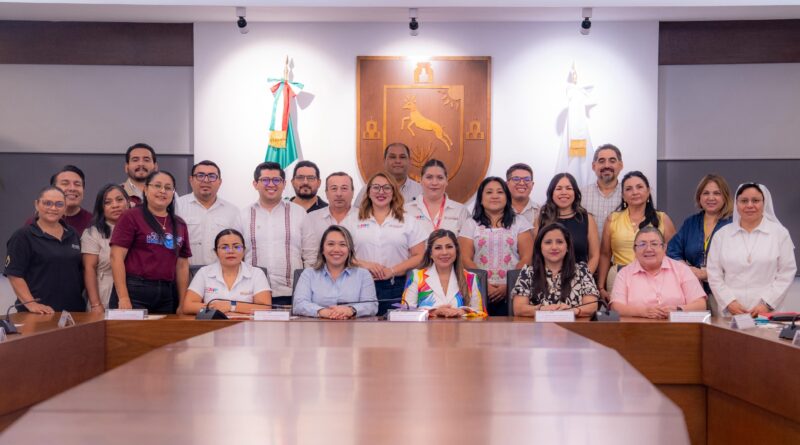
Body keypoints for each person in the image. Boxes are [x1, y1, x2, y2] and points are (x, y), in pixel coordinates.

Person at [707, 183, 797, 316]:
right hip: (732, 312)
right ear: (736, 204)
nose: (750, 205)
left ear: (764, 203)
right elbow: (714, 274)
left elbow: (786, 273)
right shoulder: (722, 235)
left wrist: (766, 304)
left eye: (755, 200)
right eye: (744, 201)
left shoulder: (780, 233)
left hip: (768, 312)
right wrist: (729, 302)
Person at [343, 172, 426, 316]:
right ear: (368, 192)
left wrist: (392, 270)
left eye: (387, 188)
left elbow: (420, 256)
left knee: (394, 328)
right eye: (376, 187)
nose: (381, 192)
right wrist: (365, 265)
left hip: (396, 286)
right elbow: (340, 254)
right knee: (360, 328)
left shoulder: (408, 221)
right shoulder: (351, 220)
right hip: (359, 285)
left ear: (394, 192)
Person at [110, 171, 191, 313]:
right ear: (146, 190)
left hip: (167, 293)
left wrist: (183, 302)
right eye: (157, 186)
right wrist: (123, 297)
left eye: (168, 188)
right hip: (134, 290)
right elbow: (116, 257)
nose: (162, 191)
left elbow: (182, 265)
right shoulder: (131, 216)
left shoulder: (179, 224)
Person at [459, 177, 533, 316]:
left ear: (507, 197)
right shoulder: (471, 224)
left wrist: (510, 285)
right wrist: (484, 285)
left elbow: (527, 257)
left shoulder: (520, 222)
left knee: (512, 328)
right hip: (478, 290)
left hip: (514, 291)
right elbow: (465, 259)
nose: (494, 196)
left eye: (500, 192)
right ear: (481, 199)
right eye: (489, 192)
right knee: (478, 327)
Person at [5, 186, 85, 314]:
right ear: (37, 204)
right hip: (39, 314)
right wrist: (31, 304)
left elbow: (81, 270)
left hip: (74, 311)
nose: (53, 208)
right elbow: (14, 275)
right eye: (47, 203)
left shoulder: (73, 233)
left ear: (65, 208)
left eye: (59, 204)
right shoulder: (23, 236)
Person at [597, 171, 676, 299]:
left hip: (656, 278)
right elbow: (605, 254)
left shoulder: (662, 219)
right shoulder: (613, 219)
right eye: (629, 189)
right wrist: (600, 287)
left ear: (648, 191)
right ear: (623, 195)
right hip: (620, 277)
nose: (634, 192)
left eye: (639, 187)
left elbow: (673, 254)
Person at [239, 162, 306, 306]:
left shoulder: (299, 213)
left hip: (293, 293)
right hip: (252, 293)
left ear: (284, 184)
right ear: (255, 184)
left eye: (276, 180)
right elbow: (238, 255)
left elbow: (310, 255)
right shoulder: (242, 215)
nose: (271, 184)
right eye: (265, 180)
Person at [610, 227, 707, 318]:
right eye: (642, 244)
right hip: (637, 328)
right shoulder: (624, 274)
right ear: (634, 250)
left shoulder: (682, 269)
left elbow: (701, 304)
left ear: (664, 248)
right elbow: (616, 307)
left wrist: (678, 310)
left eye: (654, 244)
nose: (648, 249)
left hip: (677, 327)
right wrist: (642, 312)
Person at [667, 174, 733, 303]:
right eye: (706, 193)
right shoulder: (690, 223)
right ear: (699, 197)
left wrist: (707, 274)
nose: (711, 198)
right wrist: (688, 270)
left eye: (717, 193)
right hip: (694, 291)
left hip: (726, 293)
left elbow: (740, 263)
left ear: (725, 197)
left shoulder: (733, 225)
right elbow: (672, 251)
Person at [511, 223, 599, 317]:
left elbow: (592, 306)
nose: (554, 247)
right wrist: (541, 309)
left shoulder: (582, 271)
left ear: (568, 247)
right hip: (538, 326)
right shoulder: (528, 272)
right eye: (548, 242)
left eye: (559, 242)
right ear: (540, 247)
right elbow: (518, 308)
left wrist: (573, 311)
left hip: (573, 325)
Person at [293, 225, 378, 319]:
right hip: (317, 327)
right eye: (331, 244)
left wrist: (351, 310)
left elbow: (372, 305)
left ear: (349, 250)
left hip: (353, 326)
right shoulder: (308, 274)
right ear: (322, 250)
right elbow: (299, 304)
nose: (336, 250)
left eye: (342, 244)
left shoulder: (363, 275)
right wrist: (323, 312)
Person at [182, 229, 272, 315]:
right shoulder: (204, 273)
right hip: (213, 324)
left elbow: (265, 308)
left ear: (244, 250)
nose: (230, 251)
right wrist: (216, 308)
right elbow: (188, 306)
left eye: (236, 247)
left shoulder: (256, 273)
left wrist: (231, 306)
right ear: (216, 252)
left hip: (246, 324)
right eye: (224, 247)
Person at [402, 229, 485, 318]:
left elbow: (481, 313)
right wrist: (434, 312)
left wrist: (463, 312)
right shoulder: (416, 276)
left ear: (456, 250)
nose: (444, 252)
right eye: (438, 248)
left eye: (449, 247)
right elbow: (405, 312)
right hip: (427, 327)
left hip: (460, 327)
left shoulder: (471, 278)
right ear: (430, 253)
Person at [175, 160, 240, 266]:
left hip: (221, 273)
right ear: (191, 180)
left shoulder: (233, 211)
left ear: (220, 182)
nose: (206, 180)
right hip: (186, 271)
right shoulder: (177, 206)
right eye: (200, 176)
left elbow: (237, 246)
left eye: (212, 176)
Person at [81, 184, 130, 313]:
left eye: (119, 200)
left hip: (136, 292)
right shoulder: (93, 233)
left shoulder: (139, 229)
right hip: (105, 291)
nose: (115, 205)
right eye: (108, 202)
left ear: (128, 202)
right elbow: (89, 269)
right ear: (101, 208)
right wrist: (95, 304)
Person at [537, 173, 600, 273]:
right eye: (558, 189)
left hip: (581, 278)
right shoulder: (541, 219)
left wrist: (583, 278)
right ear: (551, 193)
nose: (564, 192)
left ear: (575, 192)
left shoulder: (587, 219)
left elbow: (594, 256)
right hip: (547, 278)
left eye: (569, 188)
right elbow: (536, 255)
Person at [301, 172, 356, 267]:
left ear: (352, 192)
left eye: (344, 188)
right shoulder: (311, 218)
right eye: (334, 188)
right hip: (319, 274)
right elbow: (307, 255)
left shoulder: (365, 218)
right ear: (326, 193)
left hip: (357, 273)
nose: (339, 194)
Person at [404, 159, 468, 237]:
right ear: (421, 180)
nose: (434, 183)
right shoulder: (406, 210)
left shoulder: (461, 211)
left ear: (446, 180)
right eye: (429, 177)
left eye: (440, 178)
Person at [25, 165, 93, 235]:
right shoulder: (35, 223)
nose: (72, 188)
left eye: (77, 184)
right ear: (53, 189)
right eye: (65, 184)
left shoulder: (93, 223)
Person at [354, 142, 422, 206]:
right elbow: (356, 214)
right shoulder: (368, 190)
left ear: (409, 161)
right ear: (384, 161)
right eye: (392, 157)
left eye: (402, 157)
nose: (397, 161)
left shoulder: (421, 191)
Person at [583, 144, 623, 235]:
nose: (606, 165)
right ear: (593, 166)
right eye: (601, 161)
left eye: (612, 161)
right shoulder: (582, 195)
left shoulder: (629, 195)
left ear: (620, 165)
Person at [122, 142, 158, 207]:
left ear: (155, 167)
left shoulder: (167, 194)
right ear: (126, 167)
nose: (141, 164)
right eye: (135, 160)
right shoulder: (117, 194)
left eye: (146, 160)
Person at [506, 163, 540, 230]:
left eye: (527, 179)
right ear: (507, 184)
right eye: (516, 179)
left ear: (532, 184)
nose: (522, 183)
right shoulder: (498, 209)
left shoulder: (541, 212)